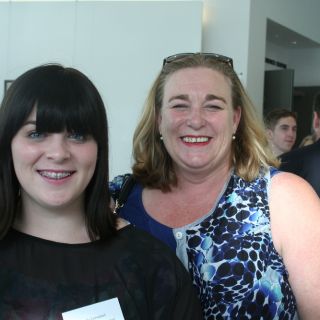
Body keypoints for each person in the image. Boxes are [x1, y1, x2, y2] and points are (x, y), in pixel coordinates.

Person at [109, 53, 320, 319]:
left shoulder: (284, 199)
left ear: (235, 119)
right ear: (158, 119)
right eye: (179, 105)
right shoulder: (117, 199)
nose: (196, 120)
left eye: (213, 106)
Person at [0, 64, 203, 319]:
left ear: (99, 149)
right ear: (8, 144)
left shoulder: (149, 265)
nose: (59, 153)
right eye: (37, 133)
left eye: (78, 135)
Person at [280, 92, 320, 196]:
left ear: (315, 120)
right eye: (284, 128)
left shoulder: (287, 163)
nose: (290, 134)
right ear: (268, 133)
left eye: (294, 129)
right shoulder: (284, 163)